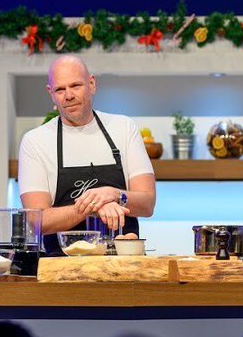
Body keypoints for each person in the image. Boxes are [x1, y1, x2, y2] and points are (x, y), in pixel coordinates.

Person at [17, 56, 156, 255]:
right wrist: (94, 205)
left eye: (75, 85)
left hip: (124, 266)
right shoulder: (35, 141)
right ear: (51, 94)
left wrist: (115, 194)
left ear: (91, 84)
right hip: (62, 271)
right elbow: (37, 221)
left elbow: (147, 204)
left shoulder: (124, 128)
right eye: (60, 89)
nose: (68, 95)